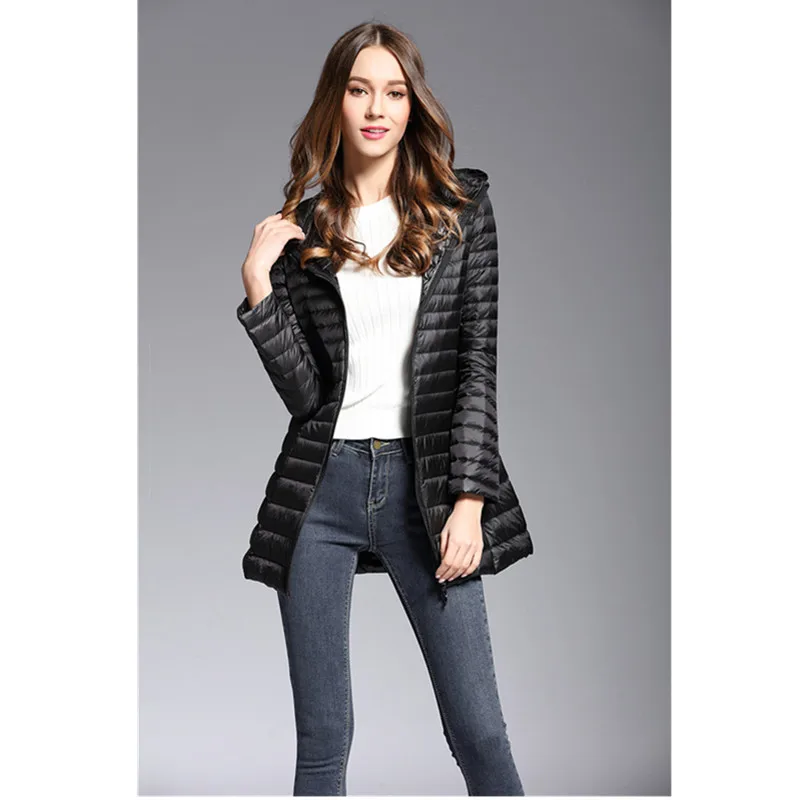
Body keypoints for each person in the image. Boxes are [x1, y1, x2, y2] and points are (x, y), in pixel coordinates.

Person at [235, 21, 533, 797]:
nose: (377, 109)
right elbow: (307, 397)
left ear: (412, 104)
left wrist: (470, 501)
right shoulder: (304, 231)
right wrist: (260, 289)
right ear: (334, 102)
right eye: (360, 90)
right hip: (321, 489)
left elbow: (477, 364)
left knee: (479, 732)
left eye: (394, 93)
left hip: (425, 488)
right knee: (323, 741)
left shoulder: (461, 211)